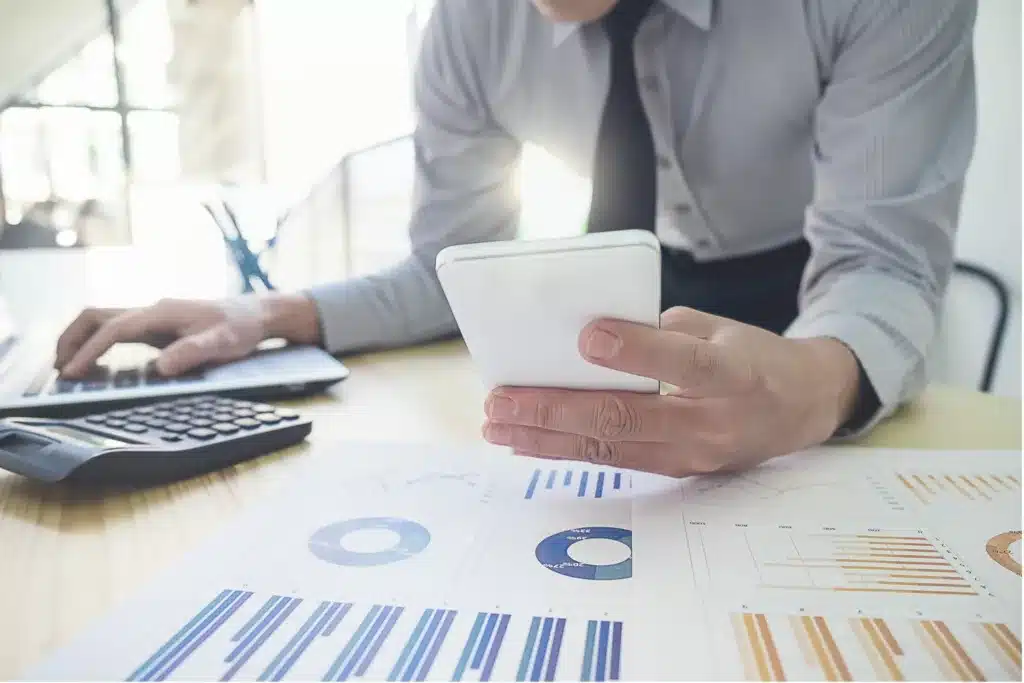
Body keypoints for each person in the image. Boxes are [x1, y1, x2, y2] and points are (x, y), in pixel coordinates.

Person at [55, 0, 977, 477]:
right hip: (628, 302)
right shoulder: (468, 25)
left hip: (826, 321)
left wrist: (812, 386)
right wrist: (262, 313)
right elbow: (444, 267)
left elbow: (882, 265)